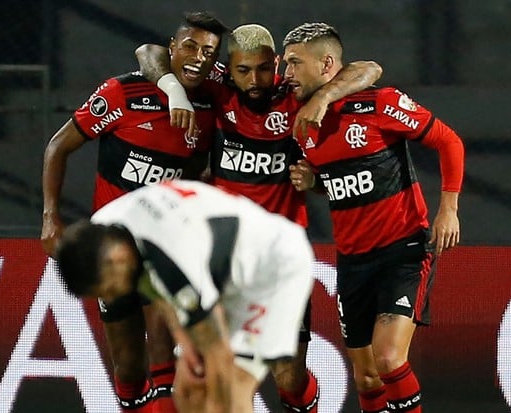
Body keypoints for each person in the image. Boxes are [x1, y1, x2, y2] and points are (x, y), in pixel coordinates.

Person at [134, 23, 382, 412]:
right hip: (223, 251)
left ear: (277, 64)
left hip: (281, 256)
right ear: (228, 69)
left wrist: (324, 99)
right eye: (244, 70)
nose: (255, 79)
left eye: (265, 69)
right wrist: (175, 91)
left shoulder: (294, 94)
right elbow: (148, 52)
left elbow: (369, 69)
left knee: (289, 378)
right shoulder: (218, 91)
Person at [41, 12, 228, 413]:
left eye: (209, 52)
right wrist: (50, 215)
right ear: (173, 47)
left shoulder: (213, 96)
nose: (199, 57)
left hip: (165, 245)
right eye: (190, 46)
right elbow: (58, 146)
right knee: (128, 367)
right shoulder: (122, 94)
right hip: (113, 248)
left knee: (163, 350)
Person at [284, 23, 464, 413]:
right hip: (352, 260)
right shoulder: (301, 122)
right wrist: (315, 181)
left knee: (388, 359)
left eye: (296, 63)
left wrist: (448, 208)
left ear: (327, 64)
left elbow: (448, 141)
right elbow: (341, 182)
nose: (287, 73)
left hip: (403, 249)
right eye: (285, 64)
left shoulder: (378, 104)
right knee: (366, 376)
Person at [55, 179, 316, 413]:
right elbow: (158, 289)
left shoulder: (170, 256)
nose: (112, 297)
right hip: (222, 268)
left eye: (108, 289)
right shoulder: (107, 227)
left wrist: (204, 360)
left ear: (116, 259)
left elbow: (216, 350)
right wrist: (187, 346)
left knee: (231, 387)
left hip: (273, 269)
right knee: (190, 391)